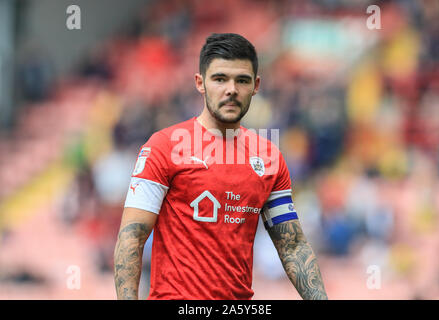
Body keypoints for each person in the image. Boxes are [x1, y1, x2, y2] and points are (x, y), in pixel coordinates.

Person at [113, 33, 328, 300]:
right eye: (219, 79)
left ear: (256, 85)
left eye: (242, 80)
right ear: (200, 83)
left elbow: (292, 246)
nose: (231, 89)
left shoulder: (269, 158)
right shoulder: (164, 147)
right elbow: (131, 237)